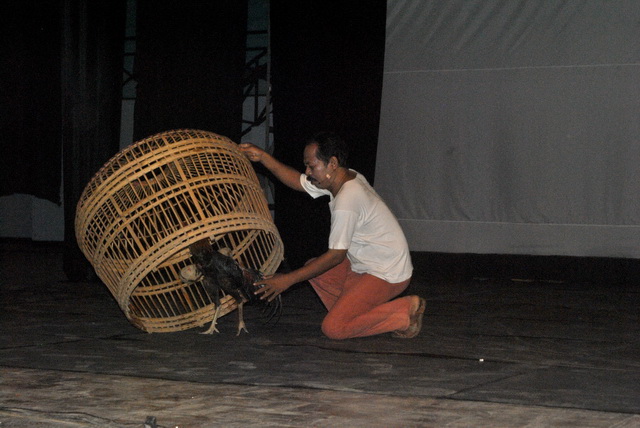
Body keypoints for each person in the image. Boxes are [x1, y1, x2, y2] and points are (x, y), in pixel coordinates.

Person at [239, 132, 425, 339]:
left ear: (332, 163)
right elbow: (298, 182)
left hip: (387, 273)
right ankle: (359, 314)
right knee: (314, 269)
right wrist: (263, 157)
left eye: (311, 166)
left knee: (334, 328)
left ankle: (403, 311)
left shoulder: (347, 199)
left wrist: (287, 280)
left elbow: (336, 256)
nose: (307, 172)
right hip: (364, 265)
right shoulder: (344, 177)